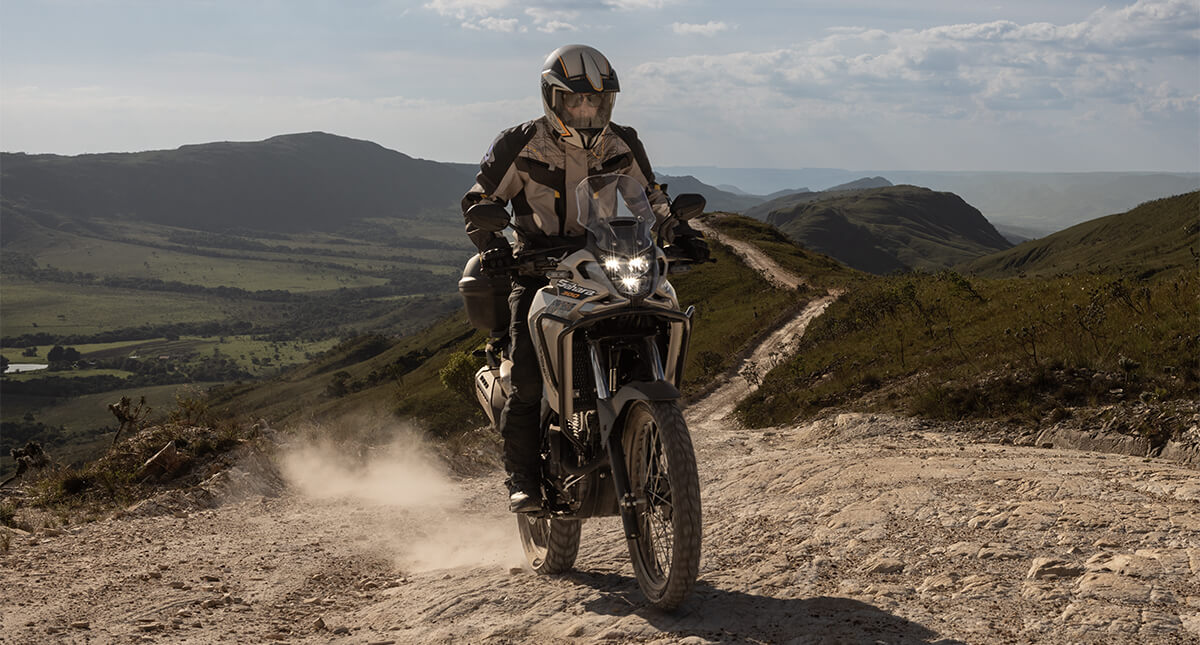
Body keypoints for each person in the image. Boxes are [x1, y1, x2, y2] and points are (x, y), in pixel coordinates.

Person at [462, 44, 710, 513]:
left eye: (595, 102)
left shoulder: (622, 141)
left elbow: (651, 199)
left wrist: (679, 230)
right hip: (538, 264)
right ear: (553, 100)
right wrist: (492, 245)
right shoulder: (520, 142)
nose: (586, 110)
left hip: (605, 258)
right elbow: (478, 200)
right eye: (576, 101)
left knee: (651, 317)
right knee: (529, 376)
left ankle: (650, 441)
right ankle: (523, 480)